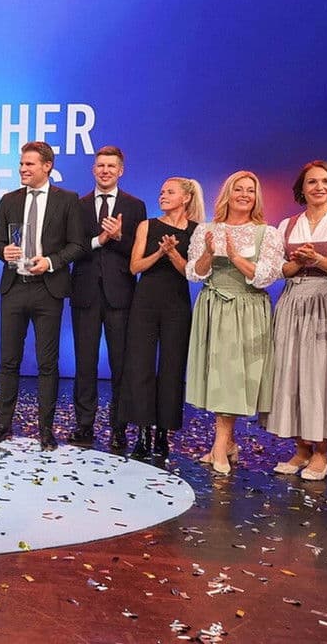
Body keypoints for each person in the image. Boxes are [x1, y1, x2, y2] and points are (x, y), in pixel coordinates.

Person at [265, 161, 327, 480]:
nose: (319, 187)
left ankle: (321, 453)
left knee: (321, 376)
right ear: (302, 188)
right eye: (312, 182)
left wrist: (320, 260)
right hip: (293, 302)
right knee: (292, 373)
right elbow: (278, 270)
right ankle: (301, 449)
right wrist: (296, 264)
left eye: (325, 181)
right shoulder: (286, 225)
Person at [0, 142, 84, 450]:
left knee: (47, 363)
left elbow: (77, 245)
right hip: (14, 287)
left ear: (47, 166)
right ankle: (3, 425)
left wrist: (50, 262)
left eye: (29, 164)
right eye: (21, 164)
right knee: (8, 361)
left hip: (48, 289)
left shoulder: (67, 200)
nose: (23, 169)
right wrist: (4, 251)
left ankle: (45, 430)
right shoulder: (9, 200)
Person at [184, 171, 284, 474]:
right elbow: (194, 273)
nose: (244, 195)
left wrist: (234, 255)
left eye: (250, 191)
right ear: (227, 194)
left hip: (248, 309)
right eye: (238, 189)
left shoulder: (268, 233)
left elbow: (266, 277)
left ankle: (220, 446)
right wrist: (210, 253)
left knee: (235, 379)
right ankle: (225, 443)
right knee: (219, 379)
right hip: (213, 306)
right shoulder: (206, 230)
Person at [68, 145, 146, 449]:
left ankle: (119, 427)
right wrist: (100, 239)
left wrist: (119, 237)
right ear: (93, 169)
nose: (105, 171)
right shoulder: (78, 205)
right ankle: (84, 425)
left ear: (121, 171)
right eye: (101, 165)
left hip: (121, 296)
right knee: (84, 364)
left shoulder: (135, 206)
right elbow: (73, 248)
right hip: (85, 293)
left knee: (121, 365)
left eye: (111, 166)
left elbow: (138, 251)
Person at [122, 177, 204, 458]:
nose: (163, 196)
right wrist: (159, 252)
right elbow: (135, 267)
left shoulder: (196, 231)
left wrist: (173, 253)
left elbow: (191, 273)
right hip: (145, 302)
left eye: (170, 192)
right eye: (161, 192)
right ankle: (143, 433)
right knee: (141, 366)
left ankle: (162, 434)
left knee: (172, 368)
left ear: (186, 198)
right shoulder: (147, 226)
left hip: (176, 304)